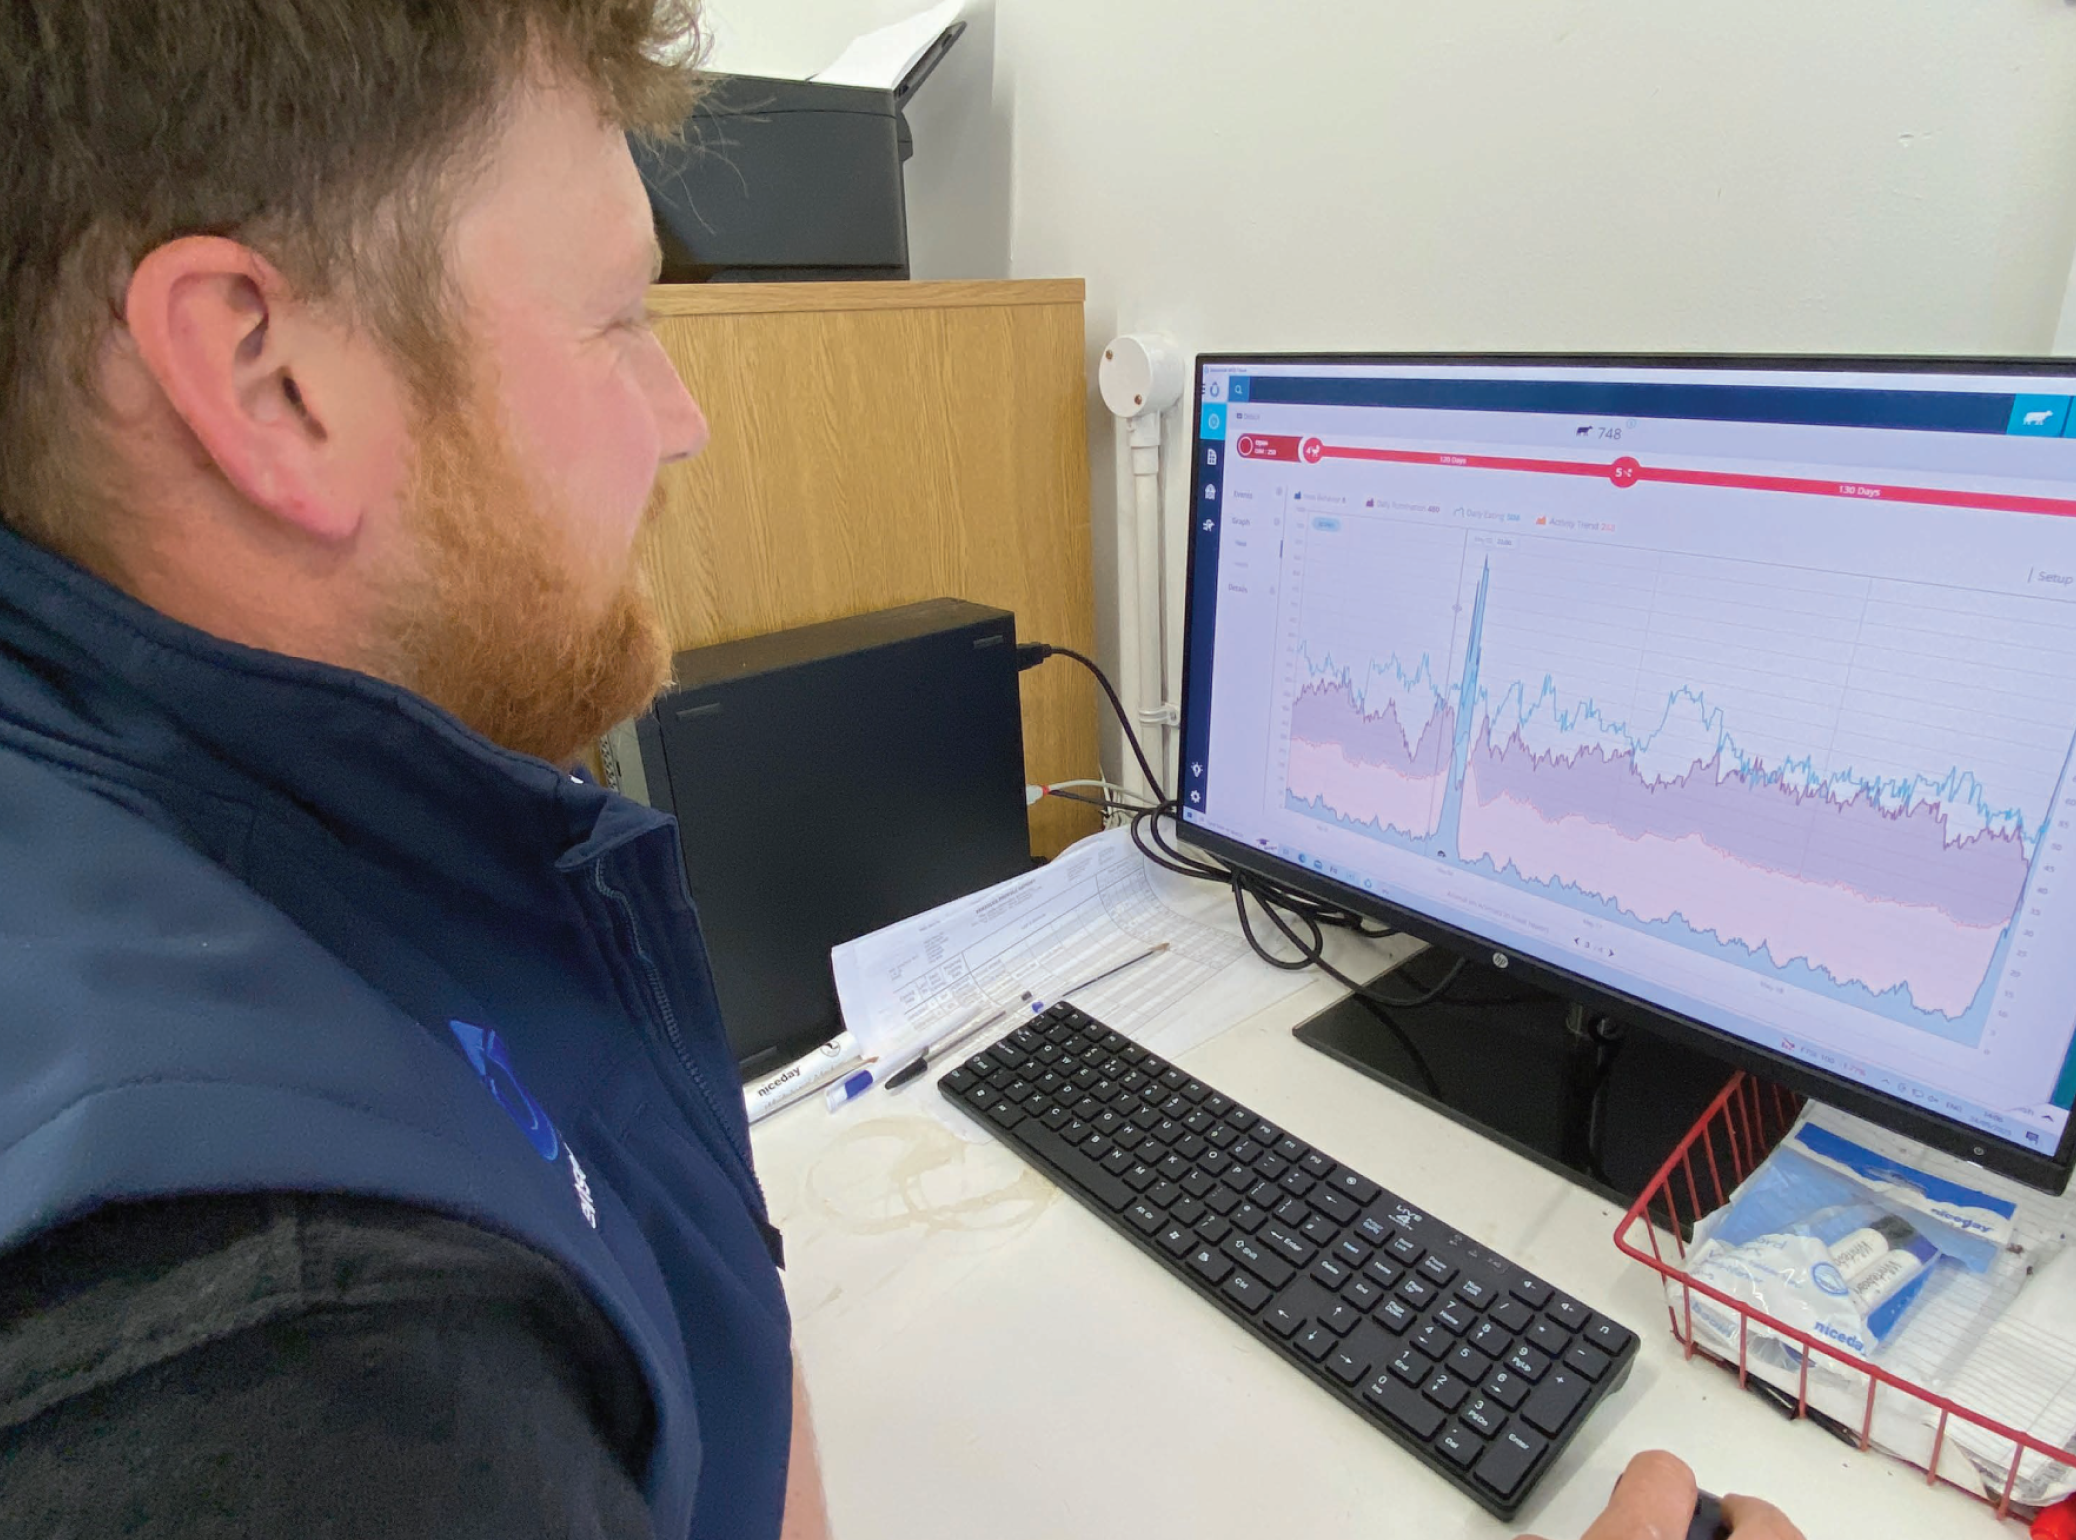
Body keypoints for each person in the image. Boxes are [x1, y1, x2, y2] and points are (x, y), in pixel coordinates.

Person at [0, 3, 1800, 1537]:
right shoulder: (259, 1371)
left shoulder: (271, 836)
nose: (686, 416)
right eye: (623, 322)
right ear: (263, 374)